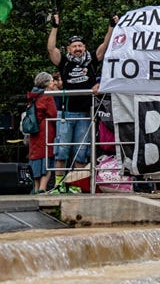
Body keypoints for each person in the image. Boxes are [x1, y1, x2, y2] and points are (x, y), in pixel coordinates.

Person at [47, 13, 116, 184]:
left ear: (84, 47)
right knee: (62, 151)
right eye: (74, 46)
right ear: (68, 49)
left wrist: (111, 26)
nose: (77, 48)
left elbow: (105, 46)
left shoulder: (91, 59)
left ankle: (77, 184)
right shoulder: (64, 62)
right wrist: (54, 27)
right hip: (67, 113)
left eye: (80, 45)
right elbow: (50, 49)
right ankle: (58, 185)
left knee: (81, 151)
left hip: (86, 113)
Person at [27, 72, 58, 193]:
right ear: (46, 83)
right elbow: (53, 114)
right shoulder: (47, 96)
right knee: (47, 158)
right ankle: (42, 188)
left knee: (35, 158)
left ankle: (36, 187)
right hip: (46, 130)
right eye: (51, 81)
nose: (53, 83)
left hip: (34, 131)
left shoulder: (32, 96)